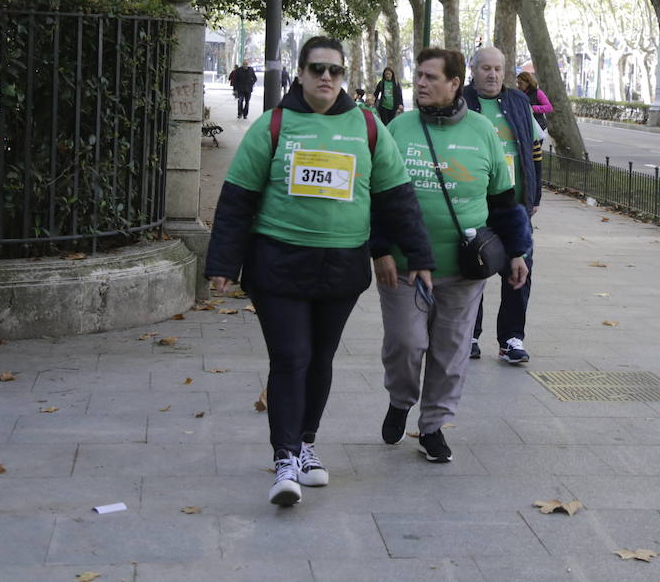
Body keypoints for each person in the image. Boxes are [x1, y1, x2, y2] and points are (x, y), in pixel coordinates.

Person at [205, 36, 434, 506]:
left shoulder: (368, 126)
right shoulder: (274, 125)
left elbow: (398, 199)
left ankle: (306, 443)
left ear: (344, 76)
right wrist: (223, 264)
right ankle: (285, 458)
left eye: (334, 70)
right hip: (277, 263)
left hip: (341, 266)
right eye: (316, 69)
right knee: (291, 357)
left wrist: (420, 257)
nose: (326, 78)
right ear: (301, 74)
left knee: (321, 357)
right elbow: (237, 200)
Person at [372, 47, 530, 463]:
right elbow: (377, 195)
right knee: (406, 343)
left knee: (450, 351)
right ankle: (401, 399)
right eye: (418, 76)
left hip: (465, 268)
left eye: (429, 77)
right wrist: (380, 250)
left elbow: (502, 199)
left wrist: (517, 251)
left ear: (454, 83)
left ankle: (433, 426)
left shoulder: (482, 132)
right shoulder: (399, 129)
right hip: (405, 267)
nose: (420, 83)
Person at [465, 46, 543, 365]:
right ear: (473, 70)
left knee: (519, 268)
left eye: (498, 68)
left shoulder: (519, 102)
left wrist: (534, 193)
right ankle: (468, 333)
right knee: (473, 269)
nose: (493, 74)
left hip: (514, 205)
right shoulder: (461, 102)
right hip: (474, 204)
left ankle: (512, 338)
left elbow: (534, 148)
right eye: (486, 68)